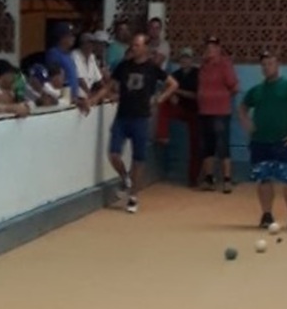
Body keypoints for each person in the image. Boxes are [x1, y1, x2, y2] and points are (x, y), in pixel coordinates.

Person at [238, 51, 287, 231]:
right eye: (264, 65)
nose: (267, 67)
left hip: (283, 142)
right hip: (260, 142)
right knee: (263, 179)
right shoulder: (256, 91)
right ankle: (266, 214)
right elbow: (242, 107)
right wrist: (248, 125)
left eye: (270, 63)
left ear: (277, 64)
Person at [109, 33, 179, 214]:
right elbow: (109, 85)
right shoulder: (124, 66)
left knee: (138, 159)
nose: (134, 48)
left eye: (137, 45)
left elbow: (173, 84)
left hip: (141, 117)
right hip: (122, 116)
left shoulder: (152, 68)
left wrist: (159, 98)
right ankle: (125, 178)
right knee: (113, 153)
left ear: (146, 48)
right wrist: (93, 99)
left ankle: (133, 196)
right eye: (133, 45)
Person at [197, 35, 239, 193]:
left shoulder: (224, 64)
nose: (210, 49)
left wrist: (221, 99)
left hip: (220, 112)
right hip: (204, 111)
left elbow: (234, 86)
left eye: (213, 46)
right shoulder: (203, 65)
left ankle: (227, 180)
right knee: (207, 147)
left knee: (222, 146)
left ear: (219, 48)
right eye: (208, 46)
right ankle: (209, 179)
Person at [156, 47, 200, 187]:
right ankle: (162, 135)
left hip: (195, 111)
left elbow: (196, 96)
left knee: (196, 145)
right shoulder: (176, 74)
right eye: (183, 58)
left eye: (187, 58)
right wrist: (172, 94)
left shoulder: (197, 74)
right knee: (164, 104)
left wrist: (176, 91)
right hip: (181, 109)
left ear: (192, 60)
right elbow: (166, 89)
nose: (185, 61)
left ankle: (193, 178)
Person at [72, 32, 108, 103]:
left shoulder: (92, 56)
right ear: (82, 44)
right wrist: (90, 94)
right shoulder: (75, 55)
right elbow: (80, 79)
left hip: (87, 97)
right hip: (76, 97)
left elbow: (99, 80)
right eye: (89, 43)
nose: (92, 46)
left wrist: (106, 93)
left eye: (93, 44)